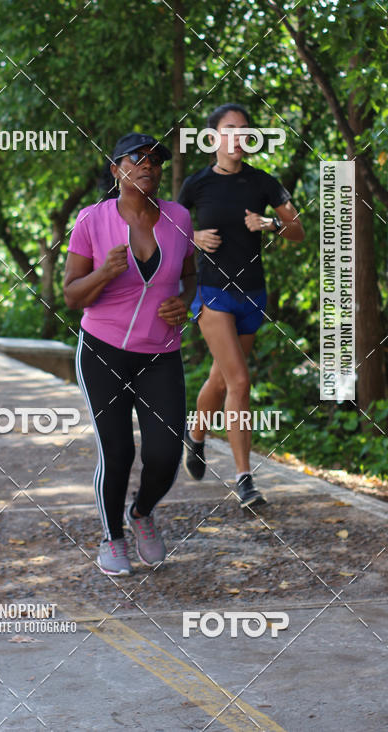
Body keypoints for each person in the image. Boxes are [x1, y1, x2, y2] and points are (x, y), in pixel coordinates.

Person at [64, 133, 196, 575]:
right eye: (136, 159)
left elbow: (190, 277)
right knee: (117, 452)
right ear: (116, 169)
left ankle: (141, 513)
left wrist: (187, 305)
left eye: (156, 160)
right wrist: (104, 272)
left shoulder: (179, 218)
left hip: (160, 352)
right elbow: (71, 295)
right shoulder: (91, 220)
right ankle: (111, 536)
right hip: (103, 351)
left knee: (164, 453)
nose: (148, 166)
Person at [178, 104, 304, 507]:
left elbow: (298, 230)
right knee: (240, 383)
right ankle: (244, 479)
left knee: (220, 381)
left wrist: (270, 225)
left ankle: (195, 433)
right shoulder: (196, 186)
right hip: (213, 293)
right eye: (229, 129)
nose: (238, 136)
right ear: (213, 137)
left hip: (253, 295)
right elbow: (169, 231)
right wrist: (193, 237)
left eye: (244, 130)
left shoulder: (264, 183)